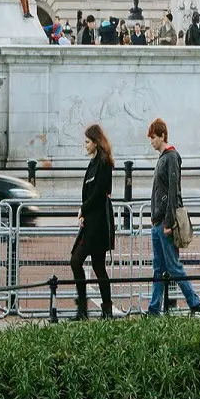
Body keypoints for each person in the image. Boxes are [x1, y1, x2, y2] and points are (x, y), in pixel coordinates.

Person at [146, 117, 200, 316]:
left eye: (153, 137)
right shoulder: (164, 157)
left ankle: (197, 305)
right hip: (158, 221)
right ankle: (154, 310)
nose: (151, 141)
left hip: (164, 222)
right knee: (159, 268)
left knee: (173, 267)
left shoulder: (171, 157)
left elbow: (173, 192)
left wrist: (168, 222)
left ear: (162, 136)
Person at [73, 123, 116, 319]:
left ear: (96, 143)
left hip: (97, 223)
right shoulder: (93, 163)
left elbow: (99, 193)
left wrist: (83, 209)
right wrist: (84, 212)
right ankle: (95, 308)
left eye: (87, 141)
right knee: (96, 266)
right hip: (91, 220)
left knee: (79, 261)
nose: (85, 145)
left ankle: (88, 309)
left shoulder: (104, 163)